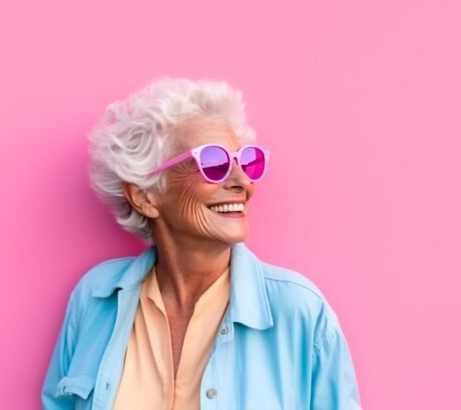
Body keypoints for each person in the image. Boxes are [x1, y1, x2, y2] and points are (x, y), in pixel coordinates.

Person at [42, 78, 362, 409]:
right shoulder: (96, 297)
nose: (242, 183)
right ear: (145, 196)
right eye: (214, 163)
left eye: (245, 161)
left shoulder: (300, 310)